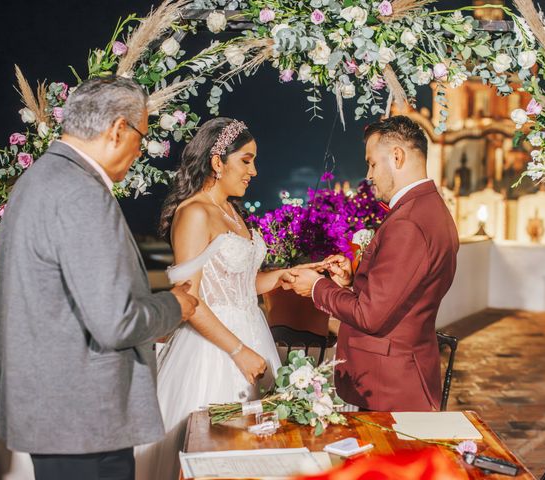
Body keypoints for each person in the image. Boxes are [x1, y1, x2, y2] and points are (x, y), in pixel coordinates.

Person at [0, 77, 199, 480]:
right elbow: (115, 321)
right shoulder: (80, 192)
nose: (140, 150)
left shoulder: (40, 179)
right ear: (119, 129)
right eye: (142, 135)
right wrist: (175, 305)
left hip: (54, 413)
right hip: (84, 420)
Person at [135, 118, 289, 480]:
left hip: (253, 336)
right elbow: (189, 297)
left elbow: (237, 287)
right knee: (217, 452)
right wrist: (238, 351)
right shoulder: (194, 212)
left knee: (254, 454)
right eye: (246, 160)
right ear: (218, 162)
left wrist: (280, 277)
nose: (254, 170)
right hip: (213, 351)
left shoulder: (233, 213)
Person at [284, 116, 459, 412]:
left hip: (389, 384)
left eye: (372, 164)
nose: (369, 175)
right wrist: (352, 283)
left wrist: (317, 287)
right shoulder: (429, 209)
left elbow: (371, 315)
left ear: (397, 156)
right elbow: (400, 294)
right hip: (398, 374)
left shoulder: (409, 223)